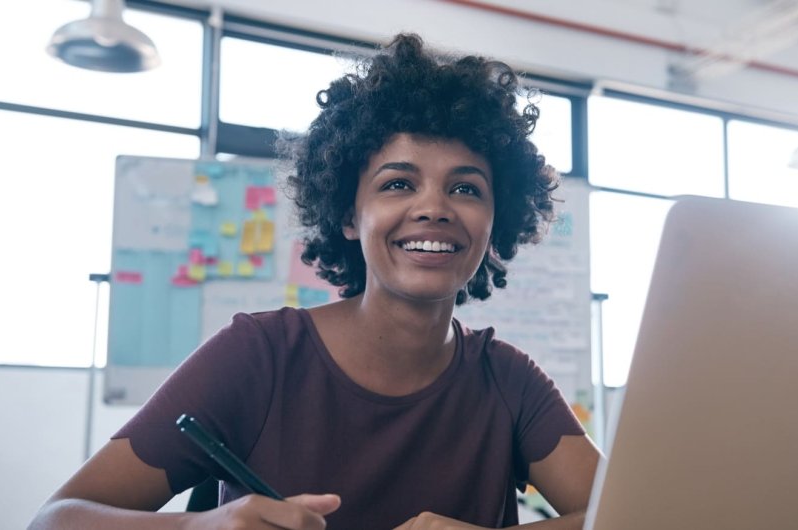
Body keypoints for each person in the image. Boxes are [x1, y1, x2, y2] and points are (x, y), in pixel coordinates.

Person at [30, 33, 601, 530]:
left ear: (497, 221)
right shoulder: (259, 356)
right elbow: (55, 520)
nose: (435, 207)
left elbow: (643, 518)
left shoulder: (508, 381)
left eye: (467, 188)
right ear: (349, 217)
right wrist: (201, 525)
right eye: (398, 184)